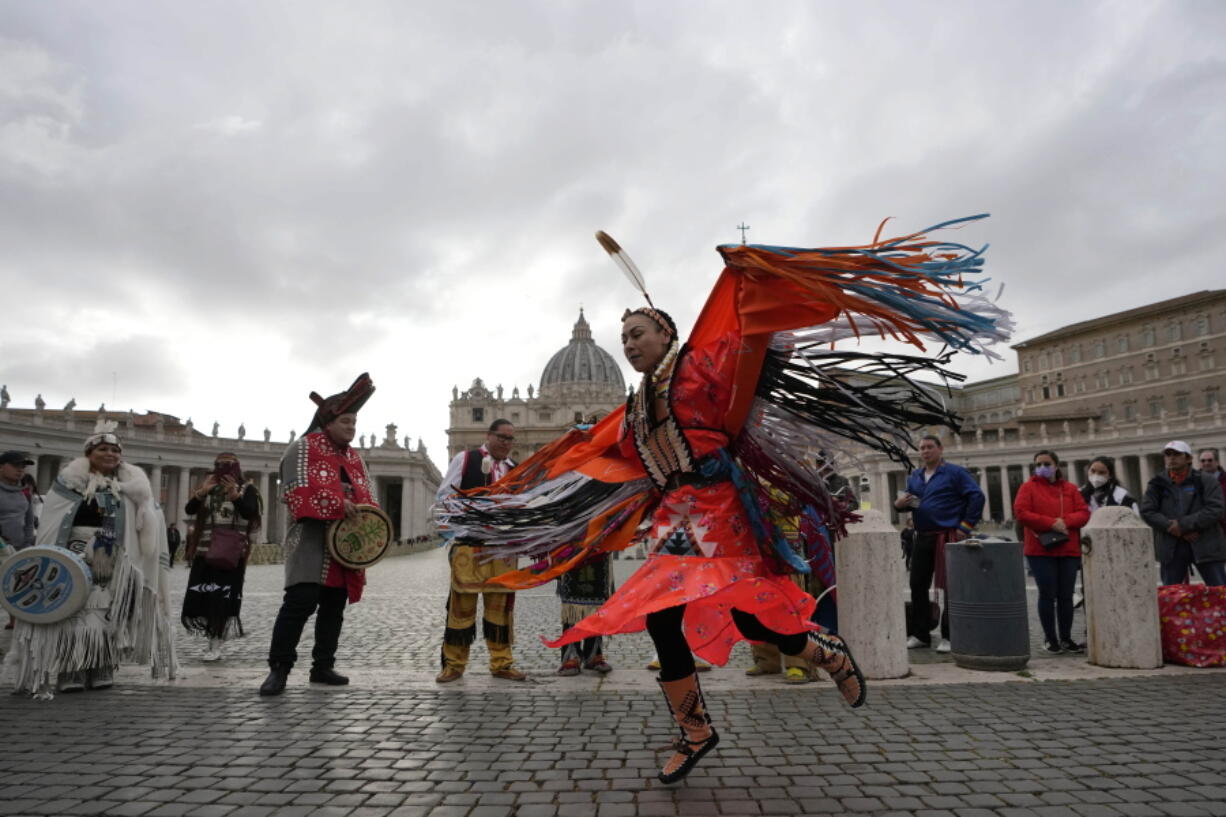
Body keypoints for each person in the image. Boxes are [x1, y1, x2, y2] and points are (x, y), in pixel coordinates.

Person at [438, 217, 1008, 783]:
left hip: (720, 513)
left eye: (638, 333)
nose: (630, 343)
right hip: (674, 521)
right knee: (664, 624)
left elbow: (742, 342)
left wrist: (742, 278)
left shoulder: (699, 372)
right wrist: (511, 505)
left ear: (667, 335)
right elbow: (588, 456)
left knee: (753, 619)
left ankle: (822, 651)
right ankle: (697, 729)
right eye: (624, 338)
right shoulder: (635, 407)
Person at [6, 425, 175, 697]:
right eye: (103, 449)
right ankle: (69, 667)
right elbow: (54, 518)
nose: (110, 454)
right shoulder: (68, 482)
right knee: (71, 610)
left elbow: (148, 517)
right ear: (89, 452)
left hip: (112, 555)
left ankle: (102, 663)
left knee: (106, 610)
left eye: (115, 450)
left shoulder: (134, 486)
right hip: (72, 552)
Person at [259, 374, 378, 696]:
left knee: (333, 607)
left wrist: (366, 516)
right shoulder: (302, 448)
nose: (352, 427)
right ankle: (279, 668)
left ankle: (322, 666)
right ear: (328, 421)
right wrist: (340, 503)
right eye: (346, 420)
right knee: (300, 601)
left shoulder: (354, 457)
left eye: (355, 421)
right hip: (311, 540)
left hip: (344, 547)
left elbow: (369, 495)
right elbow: (296, 491)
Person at [435, 419, 527, 682]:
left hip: (502, 548)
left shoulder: (515, 469)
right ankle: (454, 663)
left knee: (500, 607)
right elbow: (444, 496)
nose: (506, 443)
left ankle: (502, 662)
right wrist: (468, 516)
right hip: (469, 544)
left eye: (510, 439)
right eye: (502, 437)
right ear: (489, 436)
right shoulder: (465, 459)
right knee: (462, 606)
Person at [895, 435, 985, 653]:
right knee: (917, 584)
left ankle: (949, 635)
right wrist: (899, 505)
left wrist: (964, 527)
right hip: (922, 536)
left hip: (947, 536)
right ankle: (920, 633)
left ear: (940, 449)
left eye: (930, 447)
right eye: (922, 448)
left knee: (951, 587)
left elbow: (977, 497)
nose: (925, 451)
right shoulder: (915, 477)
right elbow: (911, 504)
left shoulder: (955, 473)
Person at [182, 453, 261, 661]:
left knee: (221, 598)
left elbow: (250, 512)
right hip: (204, 551)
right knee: (202, 596)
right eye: (219, 465)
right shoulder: (208, 488)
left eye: (229, 465)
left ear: (237, 468)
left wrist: (234, 495)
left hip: (230, 554)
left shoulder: (247, 489)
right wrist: (201, 492)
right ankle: (213, 636)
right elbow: (189, 509)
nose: (224, 469)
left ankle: (215, 641)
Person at [1014, 450, 1091, 654]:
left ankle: (1066, 638)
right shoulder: (1027, 487)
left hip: (1067, 548)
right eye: (1038, 464)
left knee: (1066, 595)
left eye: (1046, 463)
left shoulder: (1070, 489)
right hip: (1040, 549)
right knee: (1047, 594)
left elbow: (1084, 513)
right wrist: (1051, 524)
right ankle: (1050, 639)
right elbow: (1021, 513)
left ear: (1057, 465)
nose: (1042, 467)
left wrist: (1065, 522)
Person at [1140, 440, 1226, 587]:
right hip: (1171, 548)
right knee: (1170, 594)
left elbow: (1216, 509)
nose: (1171, 458)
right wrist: (1170, 526)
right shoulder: (1156, 483)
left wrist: (1183, 526)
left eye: (1177, 454)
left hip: (1206, 545)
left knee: (1219, 592)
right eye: (1168, 454)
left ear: (1189, 458)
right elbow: (1147, 511)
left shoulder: (1206, 480)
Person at [0, 451, 36, 552]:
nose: (20, 469)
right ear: (1, 467)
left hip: (18, 552)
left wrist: (27, 545)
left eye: (23, 466)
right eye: (15, 465)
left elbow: (29, 522)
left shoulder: (25, 493)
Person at [1198, 449, 1226, 534]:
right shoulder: (1192, 482)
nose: (1206, 463)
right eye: (1203, 461)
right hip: (1202, 531)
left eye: (1210, 460)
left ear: (1217, 462)